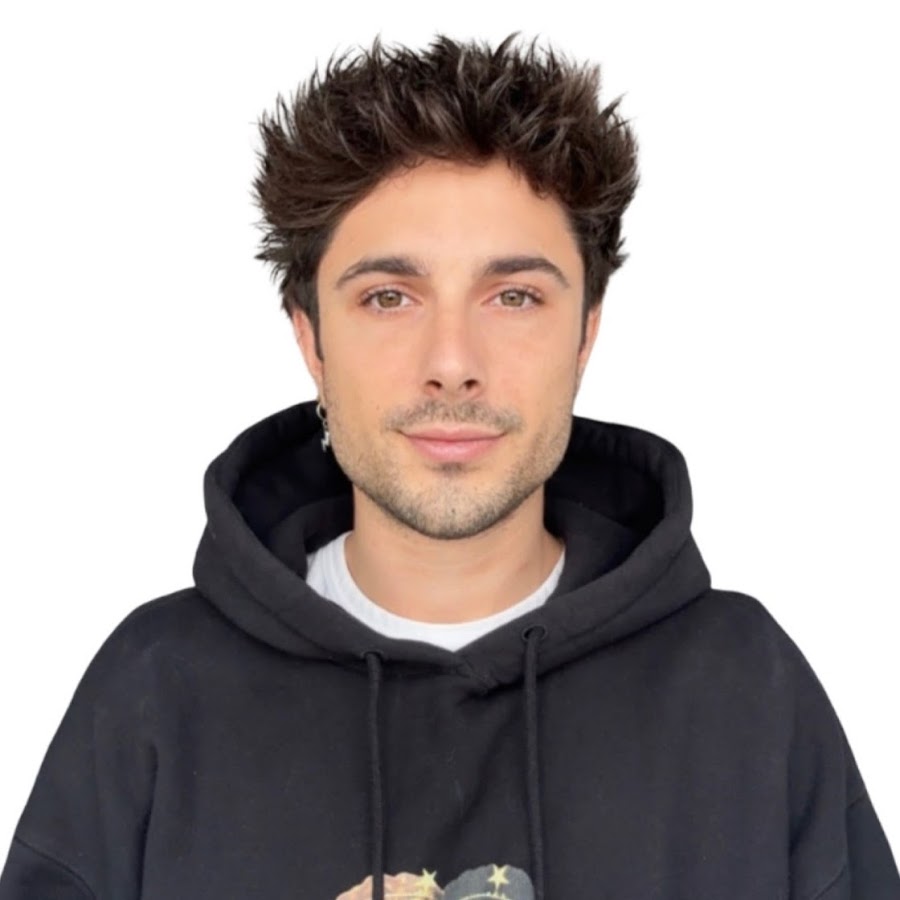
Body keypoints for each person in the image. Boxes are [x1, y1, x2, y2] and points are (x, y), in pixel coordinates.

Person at [1, 32, 897, 900]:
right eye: (390, 296)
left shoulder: (744, 693)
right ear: (311, 338)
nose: (453, 362)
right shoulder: (156, 692)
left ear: (585, 333)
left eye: (515, 296)